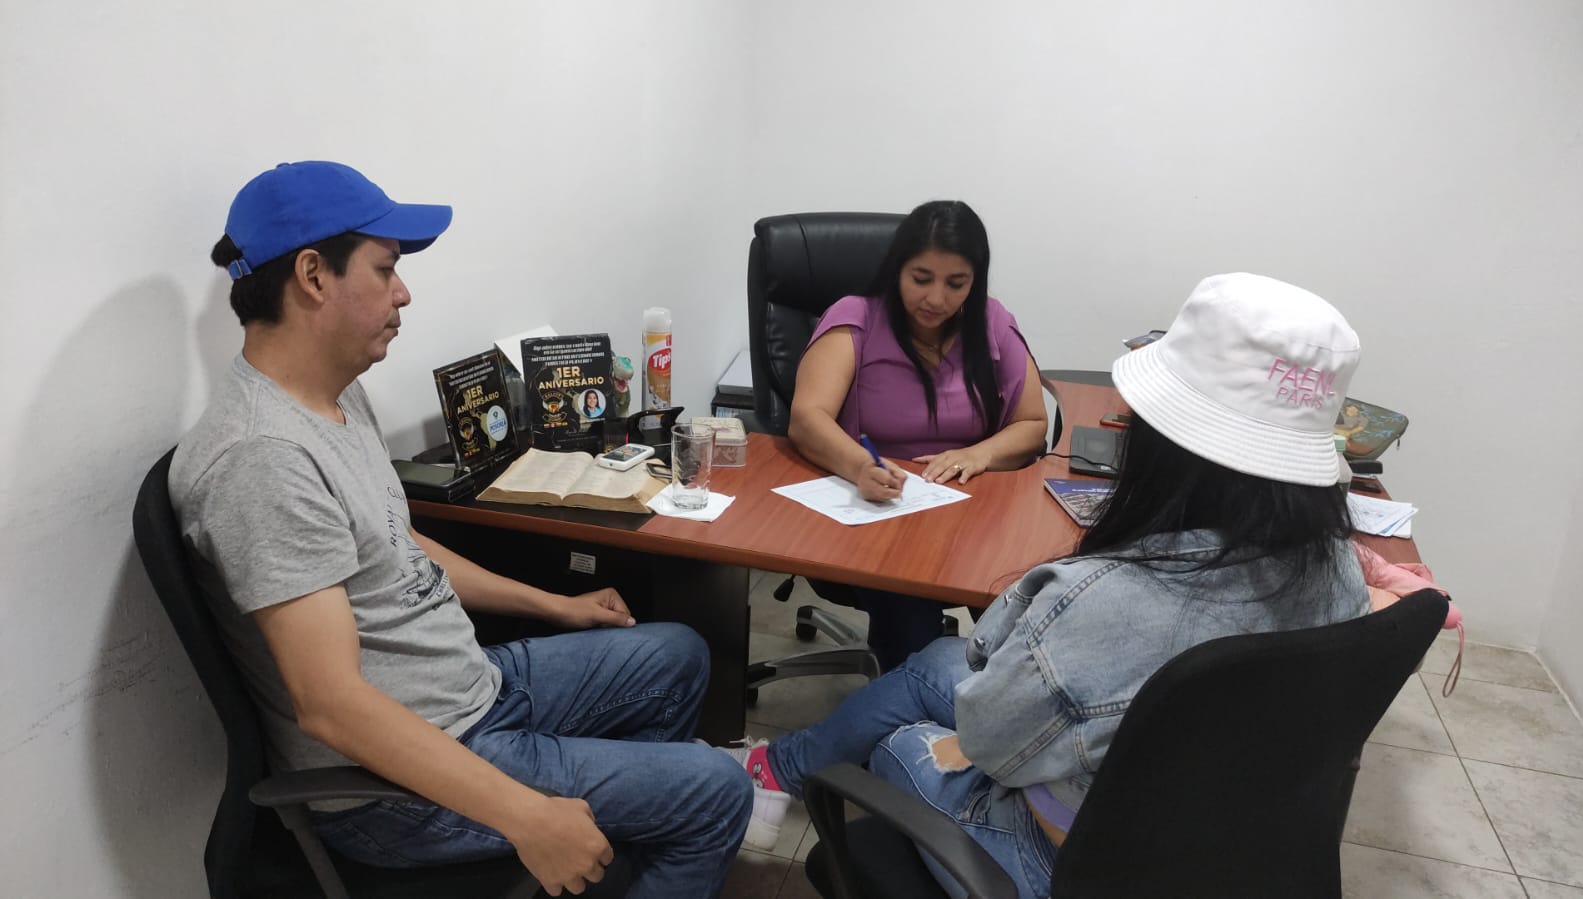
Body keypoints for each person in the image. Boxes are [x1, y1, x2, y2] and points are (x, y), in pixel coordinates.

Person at [170, 161, 767, 898]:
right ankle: (613, 826)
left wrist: (557, 606)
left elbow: (398, 544)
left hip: (470, 688)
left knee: (678, 654)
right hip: (393, 789)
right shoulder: (260, 460)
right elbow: (330, 705)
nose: (403, 292)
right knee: (717, 792)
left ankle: (611, 846)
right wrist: (526, 813)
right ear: (313, 275)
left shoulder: (335, 396)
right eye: (386, 268)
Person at [725, 273, 1371, 897]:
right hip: (1230, 845)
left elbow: (990, 743)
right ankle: (778, 766)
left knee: (898, 739)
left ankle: (771, 775)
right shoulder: (1340, 574)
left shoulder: (1102, 596)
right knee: (936, 663)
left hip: (1059, 863)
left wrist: (1037, 612)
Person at [787, 200, 1049, 670]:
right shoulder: (857, 318)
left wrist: (980, 453)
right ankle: (911, 703)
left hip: (968, 515)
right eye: (921, 278)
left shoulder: (991, 322)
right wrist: (860, 466)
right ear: (897, 270)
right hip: (878, 511)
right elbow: (808, 418)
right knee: (910, 621)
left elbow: (1032, 424)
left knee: (1022, 615)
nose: (937, 299)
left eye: (956, 283)